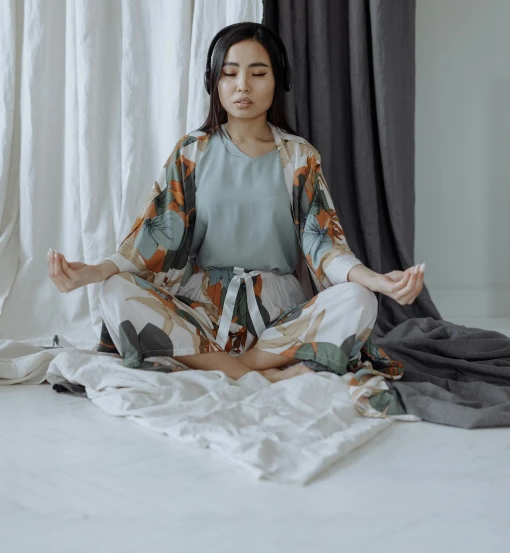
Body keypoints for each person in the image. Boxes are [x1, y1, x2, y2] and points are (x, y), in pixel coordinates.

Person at [47, 21, 425, 385]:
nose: (243, 85)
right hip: (202, 311)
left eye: (258, 73)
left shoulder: (299, 157)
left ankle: (228, 369)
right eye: (230, 73)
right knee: (115, 291)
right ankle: (266, 379)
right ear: (214, 82)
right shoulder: (192, 152)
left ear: (278, 81)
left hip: (279, 318)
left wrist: (376, 280)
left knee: (360, 300)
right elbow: (154, 239)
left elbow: (323, 244)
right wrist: (95, 272)